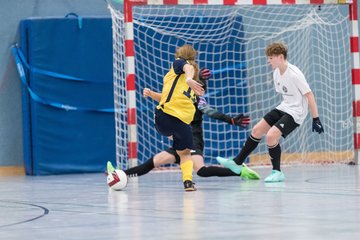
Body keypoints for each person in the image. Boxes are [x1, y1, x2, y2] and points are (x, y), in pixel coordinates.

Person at [107, 68, 260, 182]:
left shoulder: (199, 101)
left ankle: (239, 171)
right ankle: (120, 175)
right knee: (153, 162)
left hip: (193, 141)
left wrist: (231, 120)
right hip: (179, 141)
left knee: (201, 171)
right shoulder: (181, 95)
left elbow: (210, 112)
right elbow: (165, 100)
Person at [217, 42, 324, 183]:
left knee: (271, 136)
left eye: (271, 58)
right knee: (256, 129)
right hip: (284, 107)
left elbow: (309, 95)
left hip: (296, 113)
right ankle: (237, 163)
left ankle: (277, 172)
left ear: (280, 57)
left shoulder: (295, 74)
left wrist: (315, 118)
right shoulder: (276, 73)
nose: (268, 61)